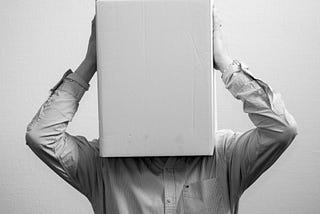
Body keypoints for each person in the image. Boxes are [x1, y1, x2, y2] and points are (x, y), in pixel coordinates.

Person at [25, 6, 298, 214]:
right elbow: (41, 136)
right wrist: (92, 61)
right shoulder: (101, 166)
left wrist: (223, 61)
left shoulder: (224, 156)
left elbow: (282, 130)